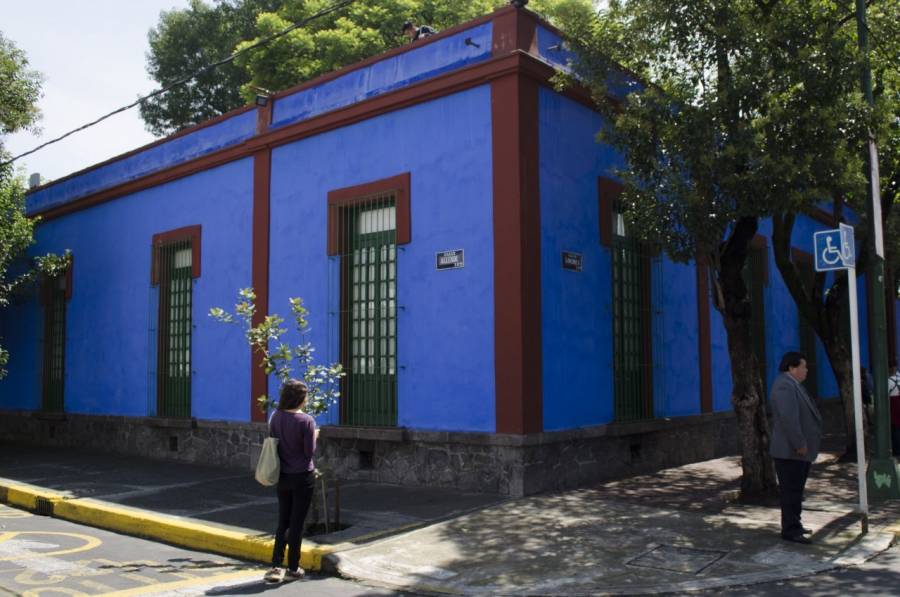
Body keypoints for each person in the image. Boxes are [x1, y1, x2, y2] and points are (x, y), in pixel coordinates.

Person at [264, 380, 319, 583]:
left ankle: (276, 565)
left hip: (283, 475)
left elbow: (274, 442)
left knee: (283, 521)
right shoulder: (306, 421)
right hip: (303, 476)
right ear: (300, 398)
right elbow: (308, 451)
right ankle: (293, 567)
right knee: (296, 524)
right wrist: (314, 436)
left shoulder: (275, 417)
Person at [769, 351, 822, 544]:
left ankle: (796, 524)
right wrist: (799, 443)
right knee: (790, 491)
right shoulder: (784, 385)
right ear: (792, 368)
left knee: (797, 491)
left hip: (798, 452)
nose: (806, 370)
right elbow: (789, 419)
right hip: (790, 451)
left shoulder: (793, 384)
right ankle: (790, 529)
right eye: (803, 367)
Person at [889, 359, 900, 457]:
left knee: (895, 429)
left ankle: (896, 451)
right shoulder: (899, 377)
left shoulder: (888, 381)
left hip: (894, 404)